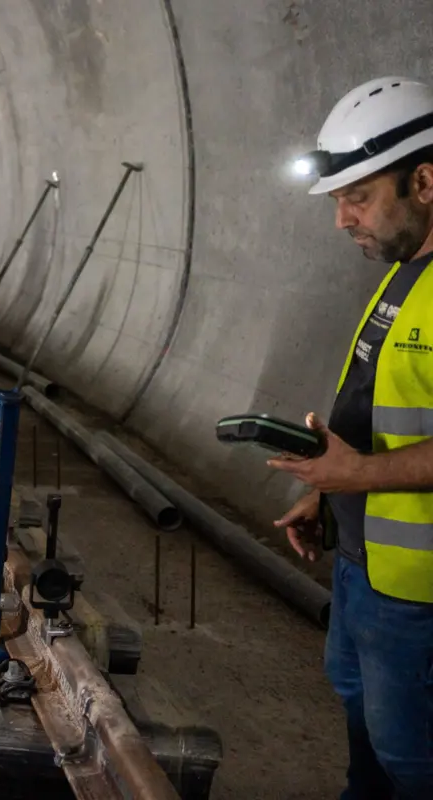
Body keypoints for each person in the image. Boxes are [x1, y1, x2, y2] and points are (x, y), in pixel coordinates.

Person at [271, 76, 433, 800]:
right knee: (369, 753)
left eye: (356, 198)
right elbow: (385, 408)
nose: (343, 221)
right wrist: (329, 493)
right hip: (366, 571)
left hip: (418, 597)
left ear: (424, 180)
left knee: (413, 761)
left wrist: (357, 475)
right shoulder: (404, 276)